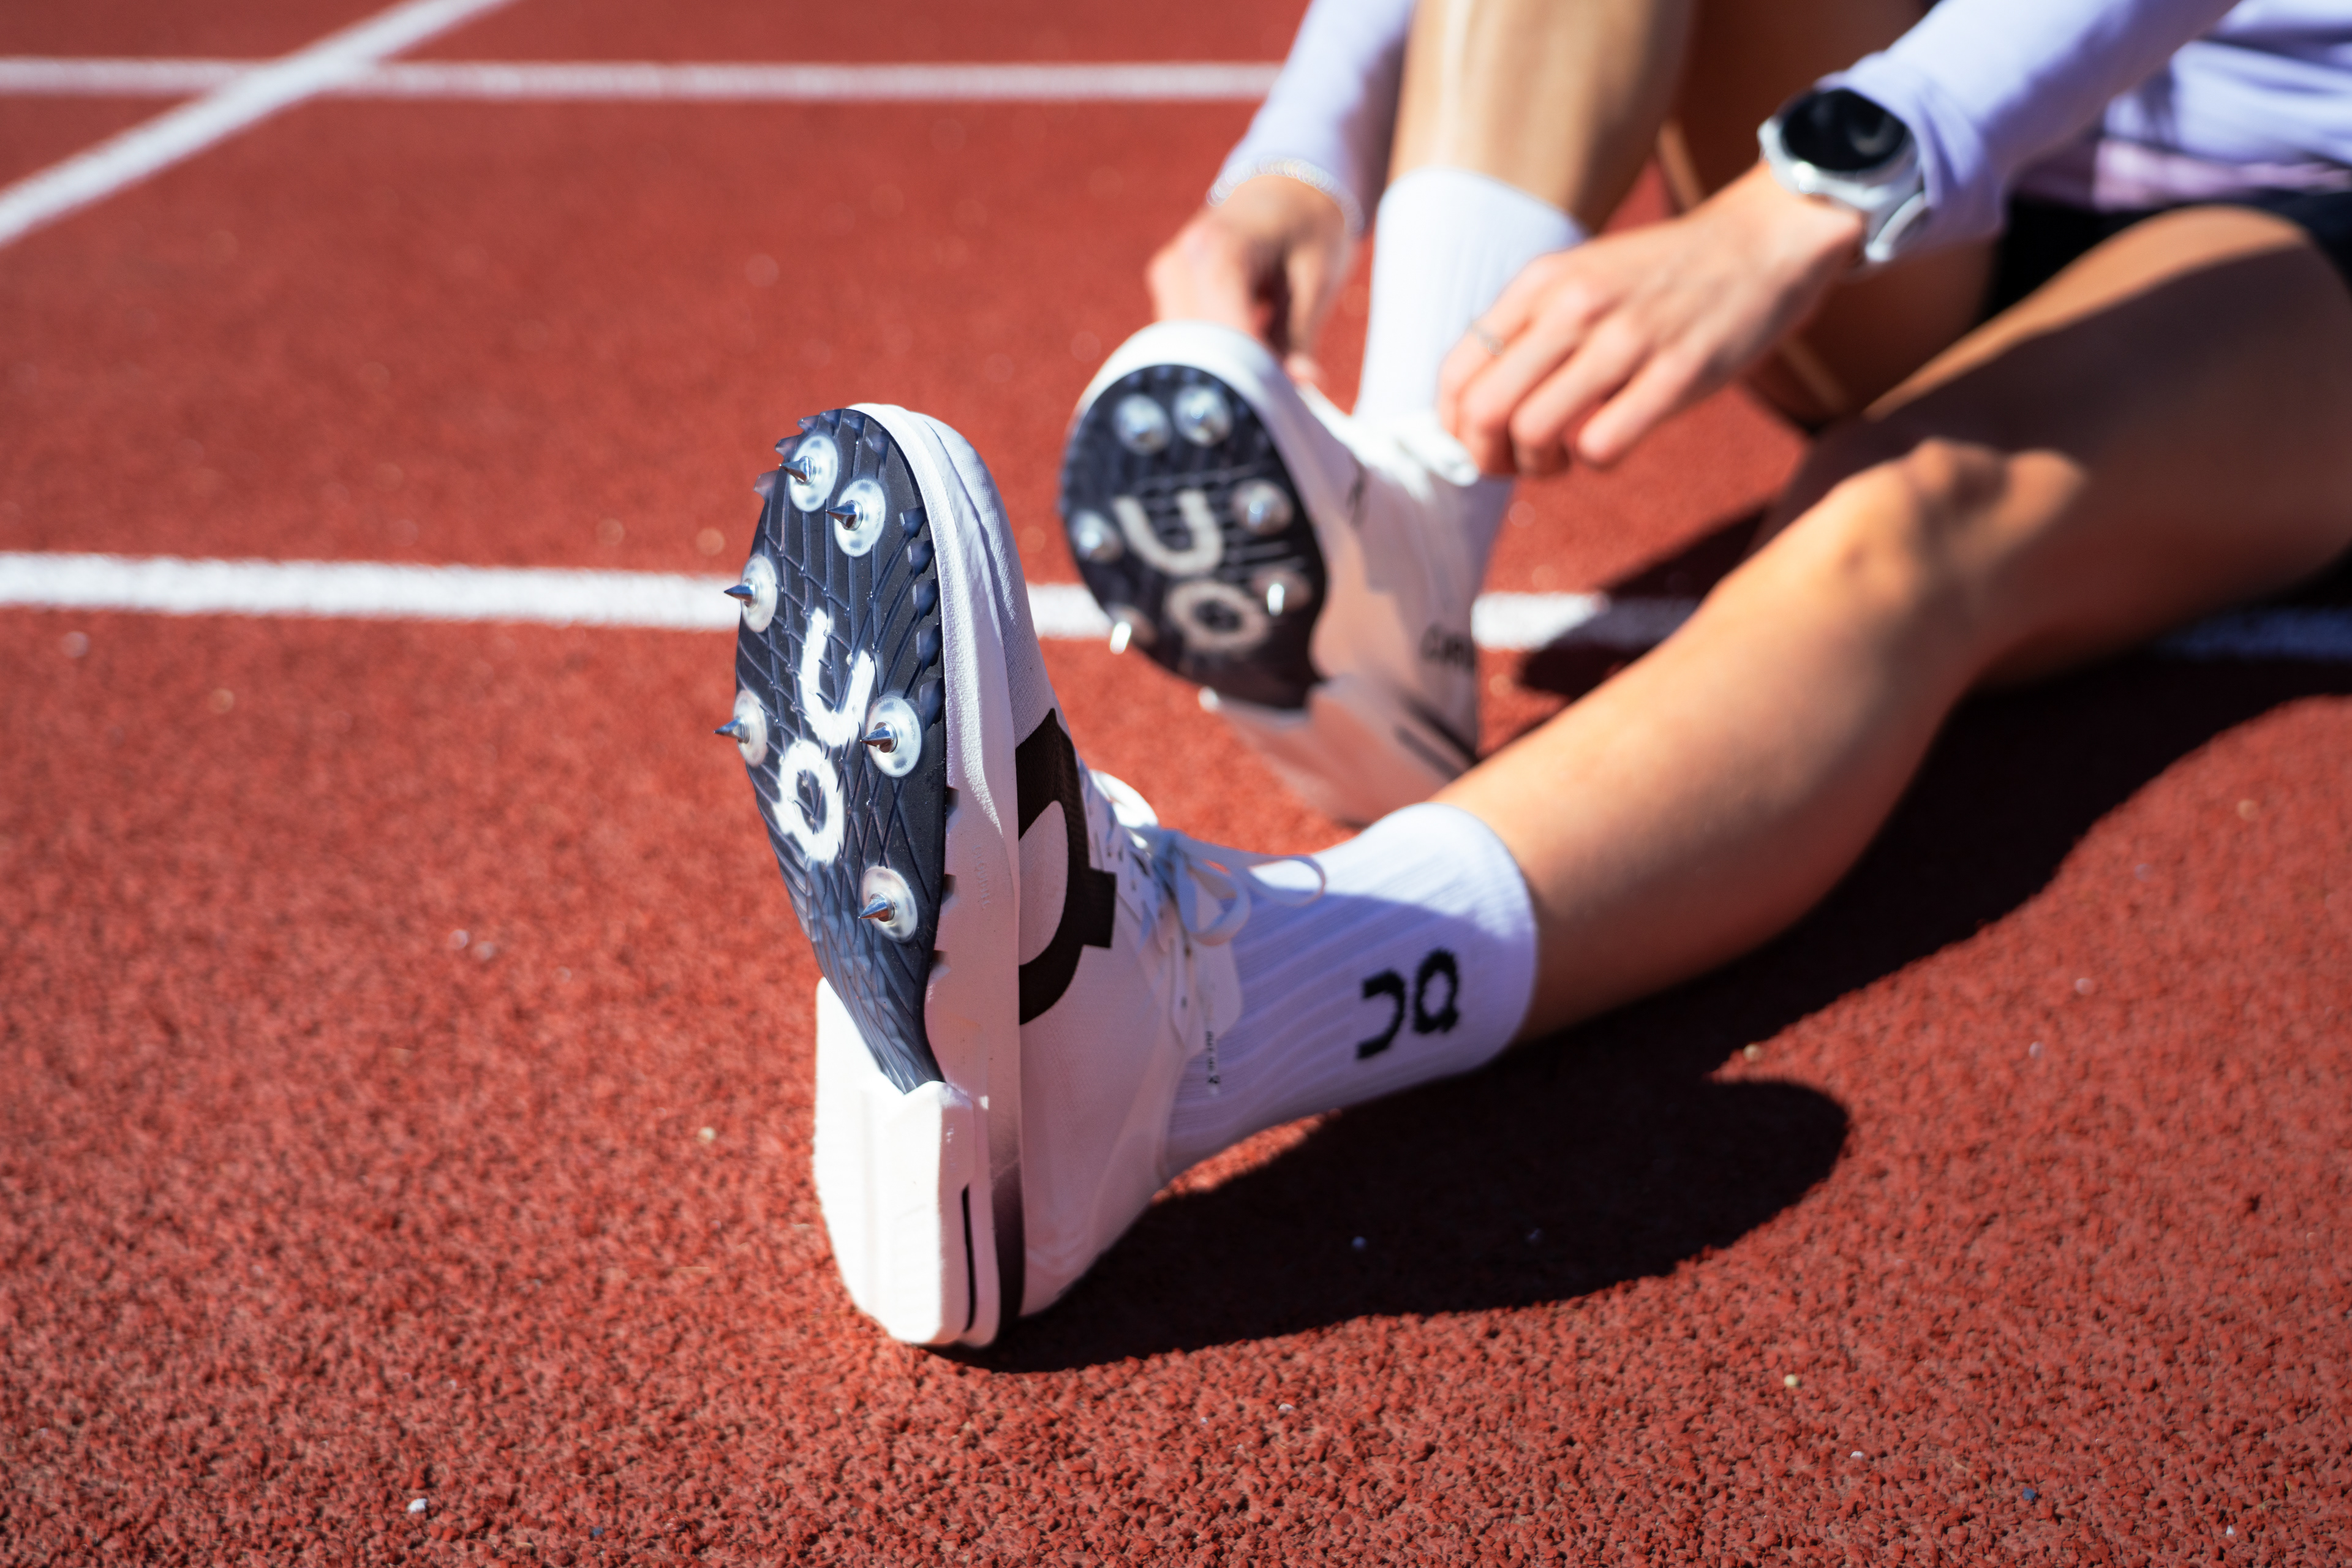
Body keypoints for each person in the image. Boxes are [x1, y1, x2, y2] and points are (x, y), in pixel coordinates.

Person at [722, 0, 2352, 1344]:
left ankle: (1185, 1028)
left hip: (2291, 202)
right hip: (1982, 141)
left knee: (1904, 515)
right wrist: (1299, 156)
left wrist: (1844, 172)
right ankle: (1409, 559)